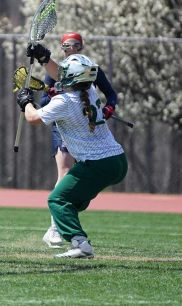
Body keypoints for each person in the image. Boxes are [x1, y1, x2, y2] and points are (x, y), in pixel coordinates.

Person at [16, 49, 128, 259]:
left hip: (98, 163)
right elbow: (61, 73)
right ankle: (71, 234)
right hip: (118, 161)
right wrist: (45, 58)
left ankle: (80, 243)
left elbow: (32, 118)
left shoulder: (64, 102)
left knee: (57, 201)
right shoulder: (90, 92)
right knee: (72, 203)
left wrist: (25, 101)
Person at [39, 32, 118, 248]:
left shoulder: (90, 70)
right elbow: (43, 103)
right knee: (64, 173)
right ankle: (56, 228)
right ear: (62, 48)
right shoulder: (58, 71)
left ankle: (66, 220)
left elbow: (111, 95)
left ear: (81, 48)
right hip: (63, 126)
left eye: (75, 45)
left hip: (84, 128)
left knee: (79, 179)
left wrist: (109, 107)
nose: (70, 49)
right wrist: (57, 95)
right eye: (66, 46)